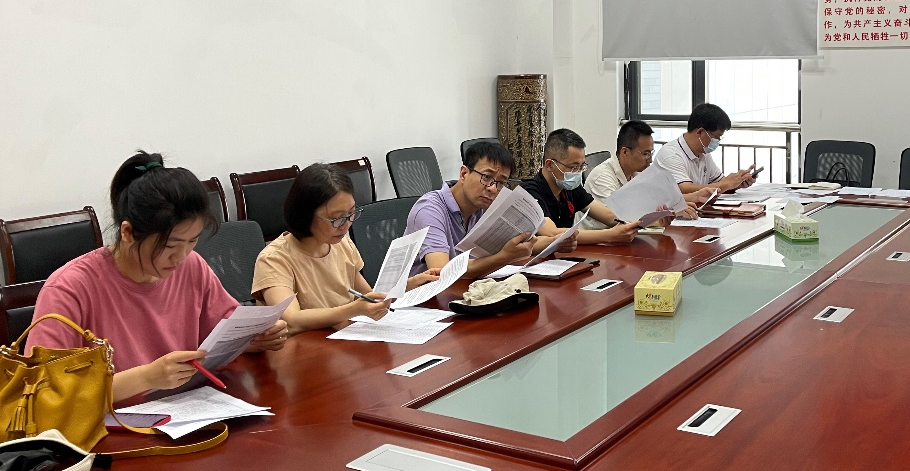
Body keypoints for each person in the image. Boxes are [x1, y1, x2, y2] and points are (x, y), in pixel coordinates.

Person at [28, 152, 288, 402]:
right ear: (128, 232)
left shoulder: (191, 266)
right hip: (109, 425)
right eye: (170, 245)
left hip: (184, 411)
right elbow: (45, 392)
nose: (181, 256)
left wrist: (254, 339)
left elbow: (220, 333)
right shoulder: (69, 288)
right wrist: (146, 377)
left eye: (192, 241)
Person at [253, 163, 438, 333]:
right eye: (336, 218)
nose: (346, 225)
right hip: (304, 349)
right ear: (305, 215)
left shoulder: (341, 244)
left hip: (342, 340)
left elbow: (368, 296)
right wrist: (353, 310)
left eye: (351, 214)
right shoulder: (274, 259)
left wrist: (408, 285)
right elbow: (292, 320)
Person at [406, 140, 554, 278]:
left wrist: (556, 242)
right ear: (464, 173)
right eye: (486, 177)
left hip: (467, 288)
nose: (492, 188)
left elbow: (517, 246)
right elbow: (441, 271)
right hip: (426, 295)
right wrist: (503, 257)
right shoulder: (429, 209)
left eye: (501, 183)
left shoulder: (486, 205)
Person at [521, 129, 644, 243]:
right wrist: (610, 235)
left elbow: (607, 215)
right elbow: (551, 233)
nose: (578, 172)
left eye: (582, 166)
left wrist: (641, 221)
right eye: (573, 167)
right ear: (549, 165)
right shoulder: (529, 192)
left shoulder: (570, 188)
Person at [585, 120, 713, 217]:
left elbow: (660, 199)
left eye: (651, 153)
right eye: (645, 154)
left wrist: (695, 196)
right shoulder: (602, 178)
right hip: (601, 242)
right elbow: (618, 218)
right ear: (625, 152)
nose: (650, 160)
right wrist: (671, 213)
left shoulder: (636, 173)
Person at [654, 103, 756, 195]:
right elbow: (684, 189)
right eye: (716, 137)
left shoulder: (704, 153)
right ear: (700, 132)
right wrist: (726, 184)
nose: (718, 141)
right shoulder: (671, 155)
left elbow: (719, 183)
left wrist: (737, 183)